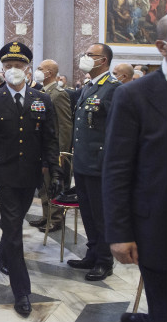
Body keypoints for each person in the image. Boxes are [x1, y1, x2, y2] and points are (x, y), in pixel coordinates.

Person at [0, 41, 61, 317]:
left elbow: (50, 138)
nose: (14, 69)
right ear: (2, 68)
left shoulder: (41, 99)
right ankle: (21, 291)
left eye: (19, 65)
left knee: (14, 223)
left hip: (31, 174)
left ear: (28, 68)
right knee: (14, 231)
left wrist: (55, 172)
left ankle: (3, 250)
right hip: (4, 175)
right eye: (9, 65)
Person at [102, 27, 167, 322]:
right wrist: (120, 233)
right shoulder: (133, 95)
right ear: (161, 46)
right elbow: (117, 168)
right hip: (158, 230)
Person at [68, 43, 120, 282]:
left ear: (103, 60)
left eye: (90, 55)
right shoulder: (90, 86)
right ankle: (92, 253)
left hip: (99, 165)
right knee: (88, 214)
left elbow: (116, 130)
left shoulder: (113, 88)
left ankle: (104, 261)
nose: (85, 58)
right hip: (83, 162)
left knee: (100, 215)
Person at [29, 59, 73, 232]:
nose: (37, 71)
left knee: (53, 185)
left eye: (40, 68)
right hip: (43, 148)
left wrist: (60, 153)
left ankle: (56, 219)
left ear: (50, 72)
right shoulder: (42, 92)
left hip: (54, 150)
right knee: (44, 186)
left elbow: (64, 125)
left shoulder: (58, 93)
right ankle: (46, 216)